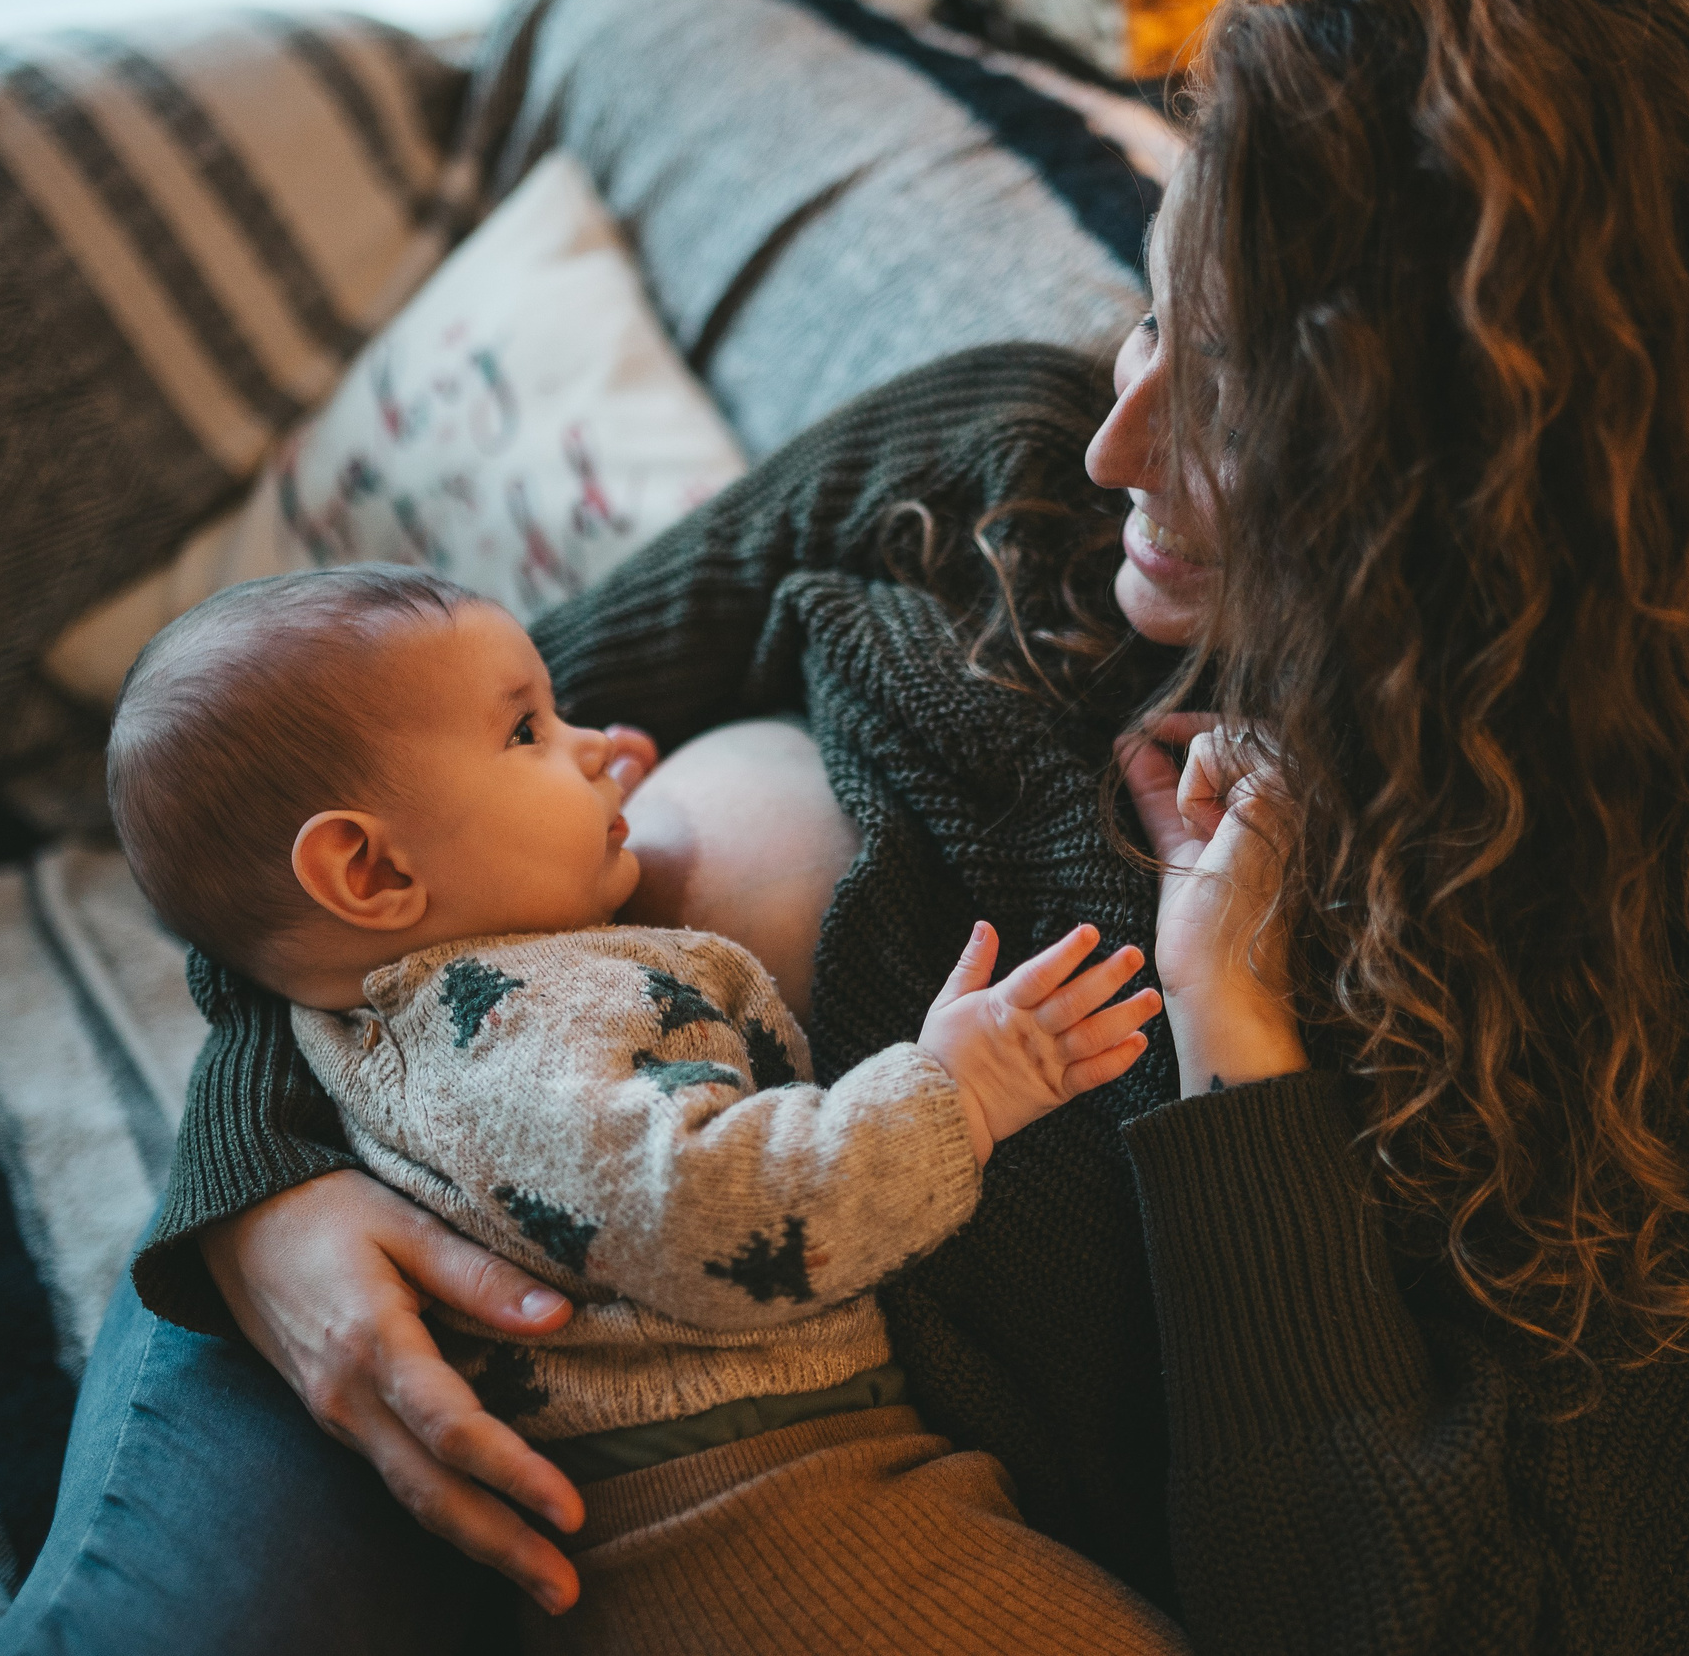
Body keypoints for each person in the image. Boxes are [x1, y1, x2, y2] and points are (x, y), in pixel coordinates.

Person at [0, 0, 1689, 1651]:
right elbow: (342, 798)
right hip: (430, 1252)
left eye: (1222, 399)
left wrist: (1232, 1057)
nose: (1117, 437)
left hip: (813, 1524)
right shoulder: (998, 467)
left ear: (1462, 496)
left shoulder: (1661, 983)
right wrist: (261, 1194)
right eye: (1150, 319)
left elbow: (1414, 1615)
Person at [101, 566, 1182, 1652]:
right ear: (369, 869)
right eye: (530, 728)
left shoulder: (370, 1019)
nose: (603, 746)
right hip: (777, 1521)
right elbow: (705, 1209)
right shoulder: (523, 1018)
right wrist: (958, 1090)